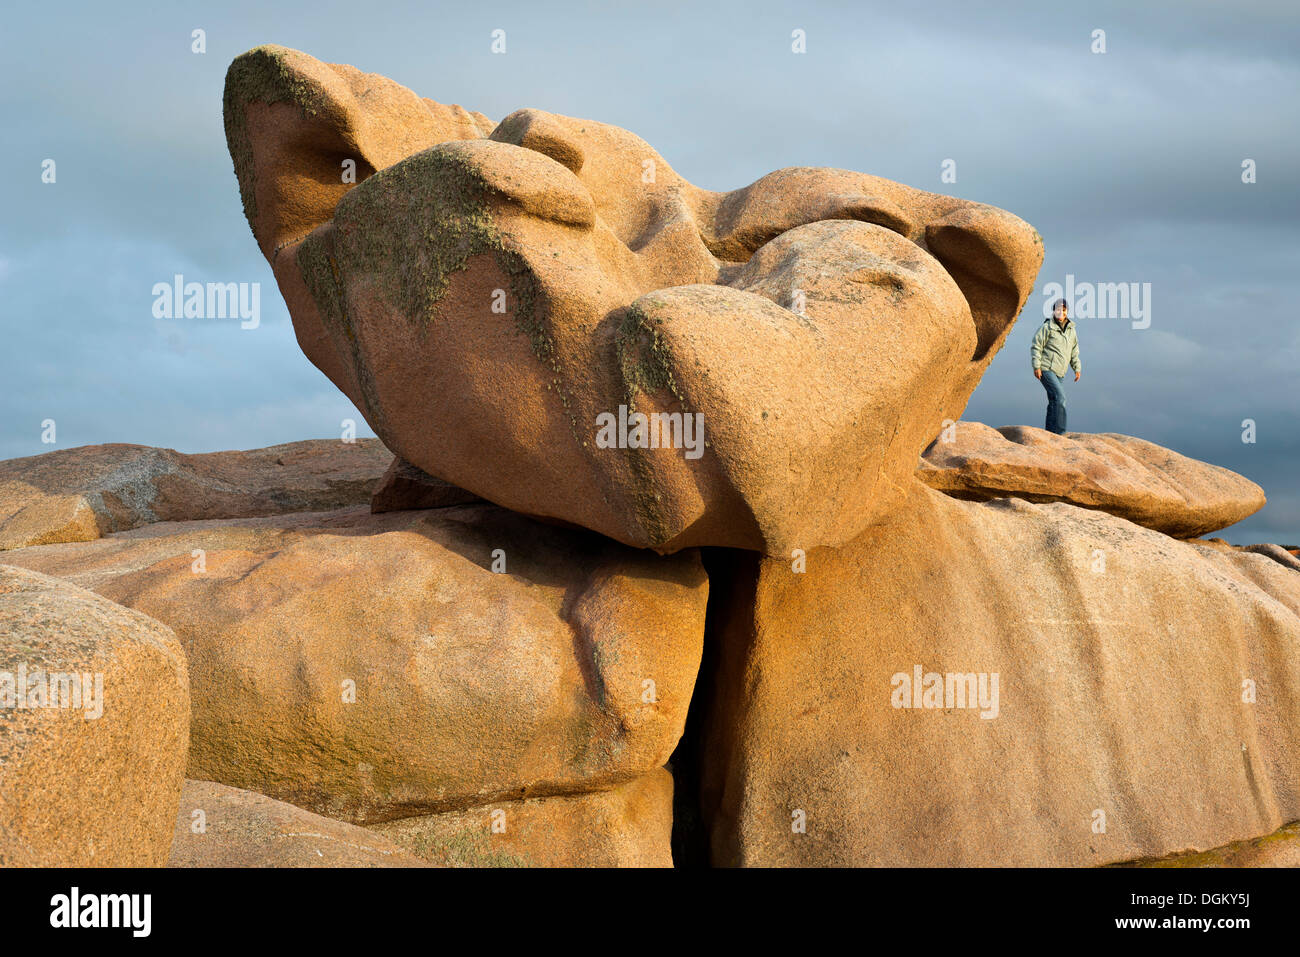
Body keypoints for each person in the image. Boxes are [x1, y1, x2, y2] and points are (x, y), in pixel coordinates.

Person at [1030, 298, 1081, 434]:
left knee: (1054, 400)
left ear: (1067, 311)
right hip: (1046, 368)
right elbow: (1036, 345)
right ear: (1054, 311)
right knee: (1061, 397)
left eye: (1063, 310)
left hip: (1060, 372)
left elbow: (1074, 351)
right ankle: (1060, 432)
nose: (1060, 312)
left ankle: (1050, 433)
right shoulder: (1047, 327)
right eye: (1058, 309)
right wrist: (1036, 366)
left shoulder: (1071, 330)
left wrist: (1077, 368)